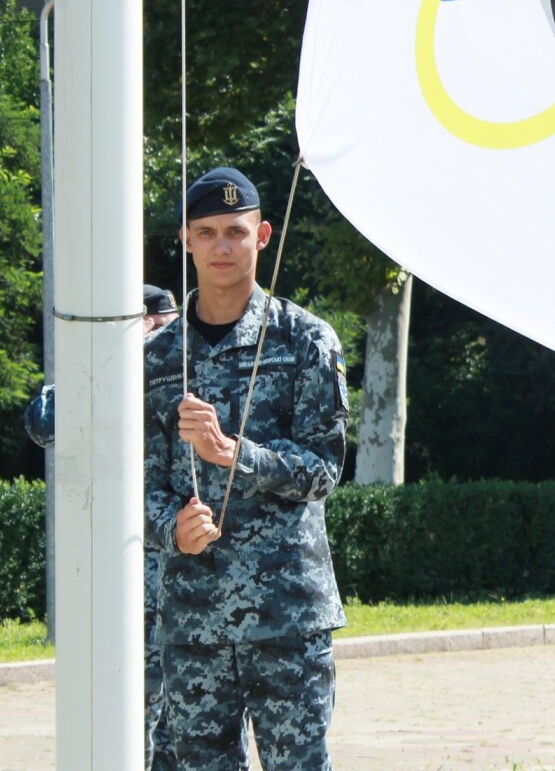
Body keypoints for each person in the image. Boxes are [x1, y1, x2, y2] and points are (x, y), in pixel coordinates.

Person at [143, 166, 349, 770]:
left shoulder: (306, 340)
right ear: (185, 241)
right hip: (192, 618)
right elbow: (139, 480)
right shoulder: (158, 358)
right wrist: (168, 526)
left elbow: (324, 471)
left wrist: (236, 455)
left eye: (234, 232)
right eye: (205, 233)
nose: (221, 247)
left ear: (261, 235)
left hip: (287, 612)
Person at [23, 283, 181, 771]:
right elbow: (42, 421)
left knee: (188, 717)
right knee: (135, 710)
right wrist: (114, 361)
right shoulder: (103, 375)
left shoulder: (188, 371)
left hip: (187, 569)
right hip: (124, 577)